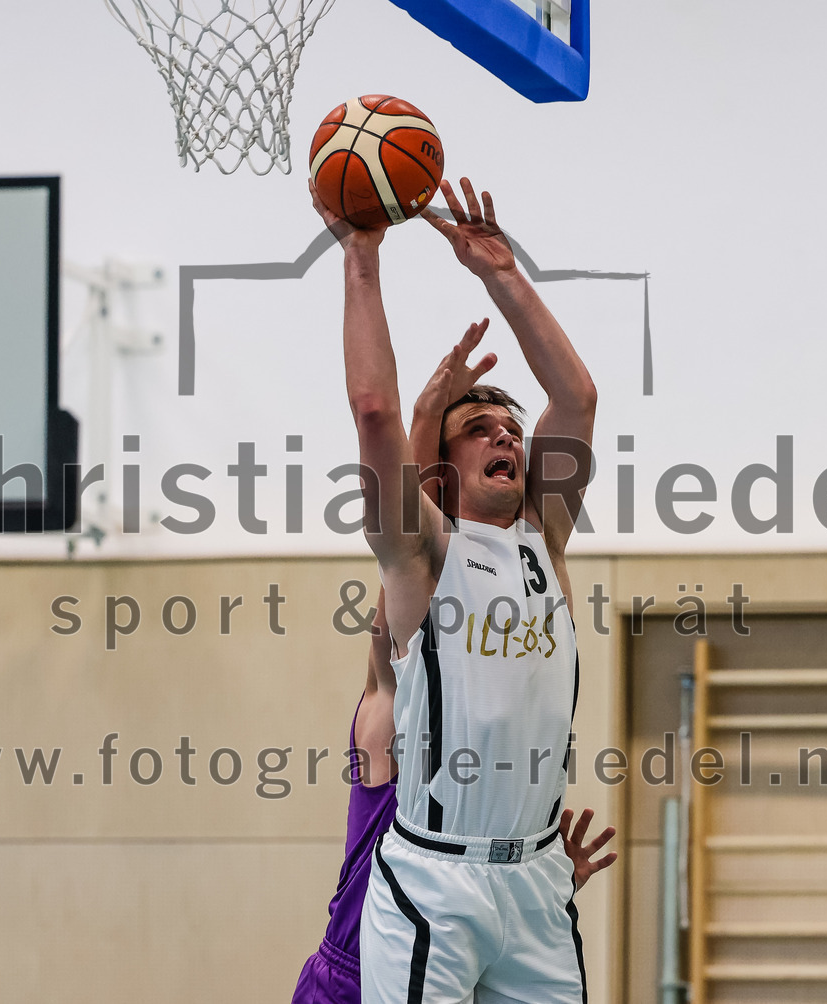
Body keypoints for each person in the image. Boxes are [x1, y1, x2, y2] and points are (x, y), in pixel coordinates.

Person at [311, 173, 599, 1004]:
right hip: (437, 880)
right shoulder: (421, 553)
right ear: (443, 464)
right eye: (481, 429)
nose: (507, 433)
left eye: (512, 427)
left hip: (540, 881)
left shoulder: (544, 538)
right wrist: (360, 256)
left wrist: (501, 273)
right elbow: (373, 411)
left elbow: (574, 395)